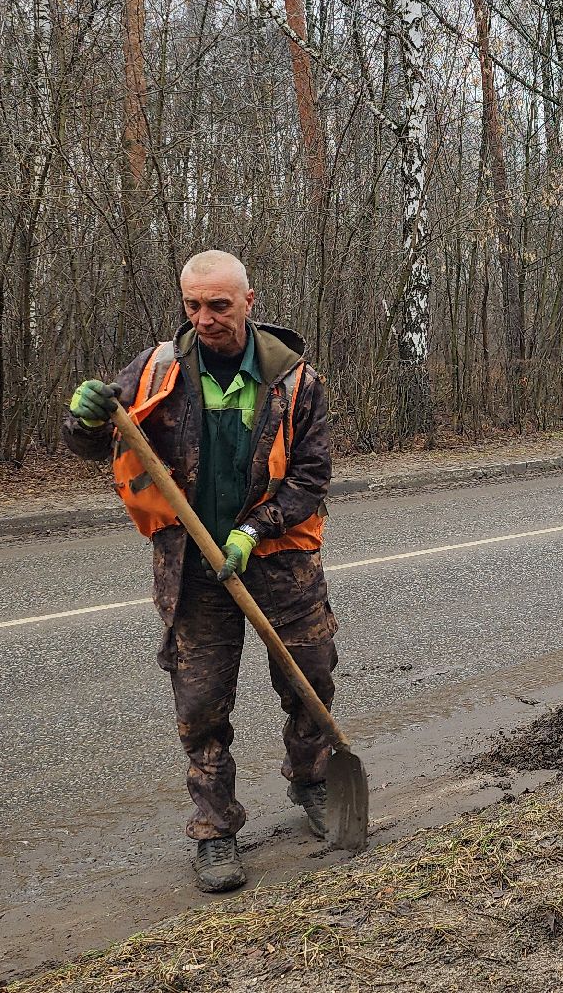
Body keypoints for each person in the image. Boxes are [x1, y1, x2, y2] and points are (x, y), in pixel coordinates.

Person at [63, 250, 338, 893]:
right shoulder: (159, 369)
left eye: (218, 304)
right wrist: (83, 417)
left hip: (280, 561)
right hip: (191, 567)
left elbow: (311, 477)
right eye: (193, 305)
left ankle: (314, 780)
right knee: (202, 705)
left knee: (310, 680)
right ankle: (216, 831)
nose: (205, 318)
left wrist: (252, 530)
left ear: (249, 302)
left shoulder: (295, 380)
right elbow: (94, 440)